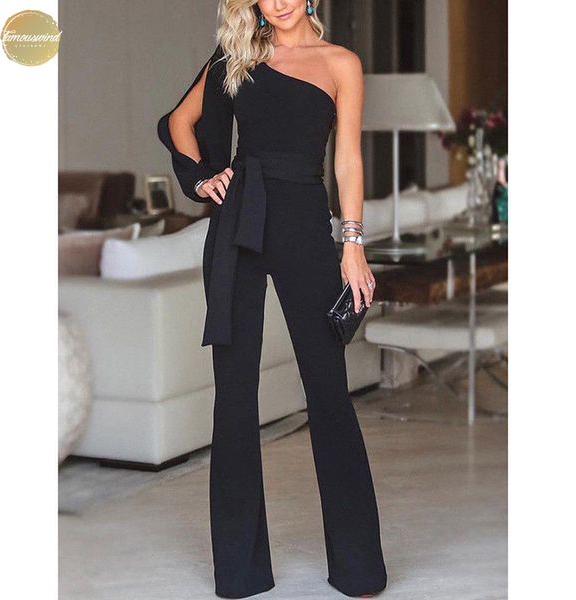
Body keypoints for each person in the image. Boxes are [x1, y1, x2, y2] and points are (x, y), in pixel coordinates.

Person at [157, 1, 387, 597]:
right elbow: (178, 123)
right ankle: (240, 572)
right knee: (234, 394)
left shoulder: (341, 63)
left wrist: (353, 245)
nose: (278, 1)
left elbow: (348, 160)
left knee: (327, 388)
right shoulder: (237, 55)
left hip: (305, 222)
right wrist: (201, 177)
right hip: (239, 221)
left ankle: (358, 567)